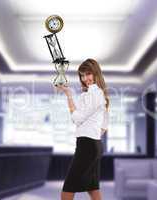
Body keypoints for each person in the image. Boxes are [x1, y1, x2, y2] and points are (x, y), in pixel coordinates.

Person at [55, 58, 109, 200]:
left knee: (67, 189)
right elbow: (104, 126)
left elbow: (76, 118)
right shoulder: (95, 94)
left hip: (87, 145)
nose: (85, 79)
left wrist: (83, 125)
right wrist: (68, 94)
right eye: (82, 75)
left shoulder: (94, 93)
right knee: (93, 188)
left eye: (88, 74)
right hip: (94, 144)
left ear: (96, 73)